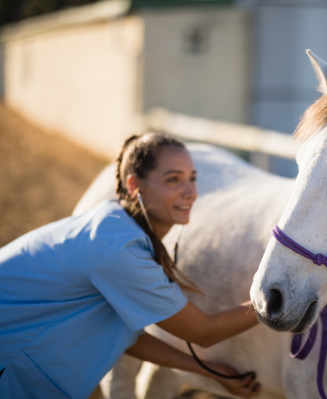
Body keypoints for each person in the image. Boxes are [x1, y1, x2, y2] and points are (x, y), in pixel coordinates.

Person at [0, 132, 261, 399]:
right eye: (173, 179)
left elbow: (123, 337)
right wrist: (273, 298)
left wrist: (207, 370)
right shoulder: (118, 250)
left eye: (192, 178)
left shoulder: (115, 226)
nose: (190, 192)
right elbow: (203, 332)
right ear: (135, 185)